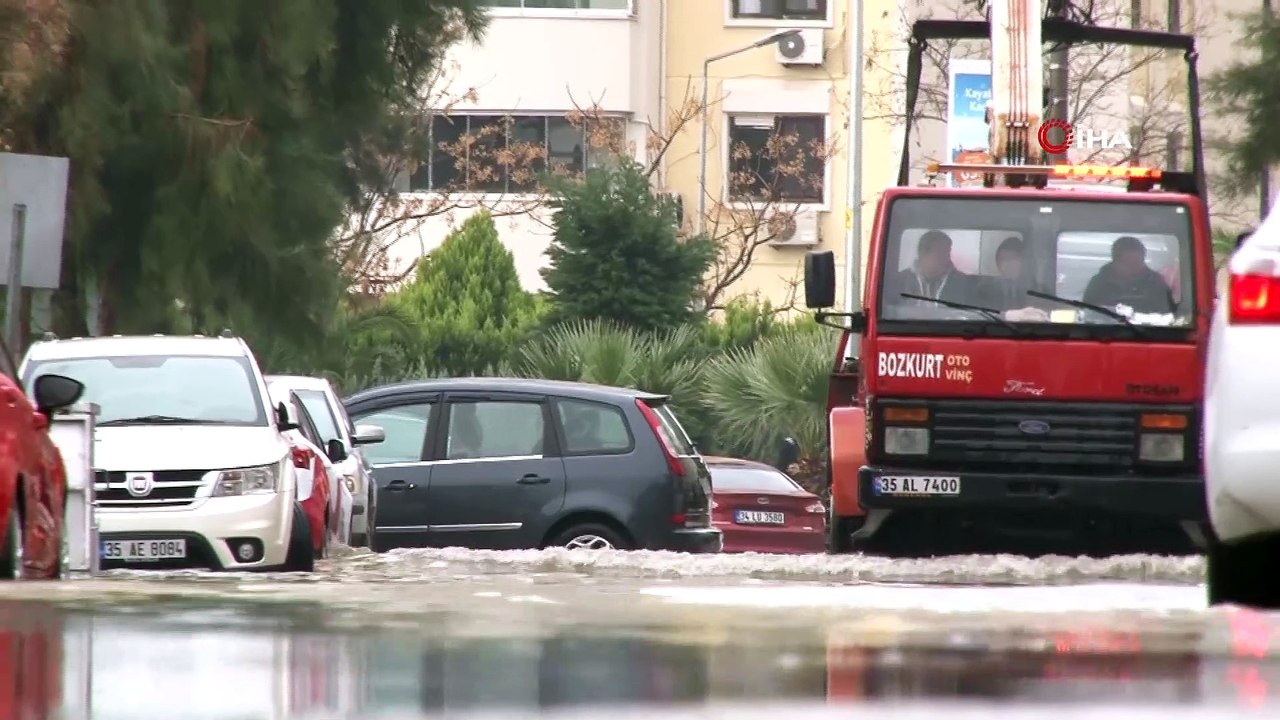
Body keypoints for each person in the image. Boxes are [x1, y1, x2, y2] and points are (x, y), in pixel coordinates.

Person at [1082, 236, 1175, 314]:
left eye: (1138, 263)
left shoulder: (1156, 283)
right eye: (1129, 264)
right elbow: (1088, 312)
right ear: (1115, 262)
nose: (1135, 268)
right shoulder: (1098, 284)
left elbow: (1167, 313)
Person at [888, 230, 973, 306]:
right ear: (923, 255)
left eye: (947, 253)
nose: (947, 259)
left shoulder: (963, 283)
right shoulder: (899, 282)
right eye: (939, 255)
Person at [977, 236, 1031, 310]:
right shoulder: (985, 291)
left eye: (1013, 258)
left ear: (1023, 261)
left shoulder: (1036, 290)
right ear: (998, 263)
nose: (1008, 263)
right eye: (1004, 259)